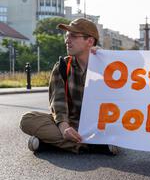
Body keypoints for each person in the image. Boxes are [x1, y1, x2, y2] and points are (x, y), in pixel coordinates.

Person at [19, 18, 119, 155]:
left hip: (100, 125)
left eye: (73, 36)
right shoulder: (62, 66)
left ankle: (48, 143)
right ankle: (90, 146)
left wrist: (106, 60)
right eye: (67, 36)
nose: (67, 40)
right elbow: (58, 103)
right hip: (72, 123)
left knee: (116, 130)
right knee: (28, 120)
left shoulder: (111, 67)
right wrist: (64, 128)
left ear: (90, 41)